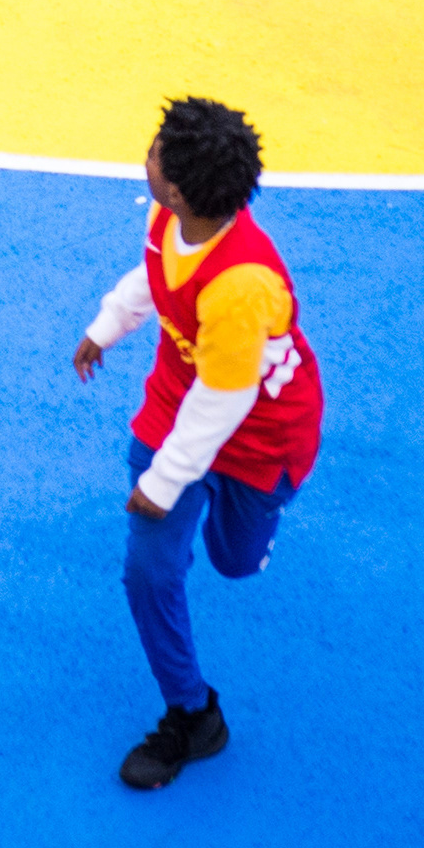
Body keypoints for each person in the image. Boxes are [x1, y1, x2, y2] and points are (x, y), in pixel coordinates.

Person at [70, 97, 323, 794]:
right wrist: (107, 324)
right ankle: (193, 715)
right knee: (149, 571)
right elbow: (153, 275)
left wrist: (164, 481)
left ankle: (233, 521)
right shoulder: (170, 218)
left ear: (179, 188)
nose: (145, 157)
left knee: (233, 561)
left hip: (260, 435)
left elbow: (224, 400)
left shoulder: (242, 286)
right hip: (176, 405)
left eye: (154, 153)